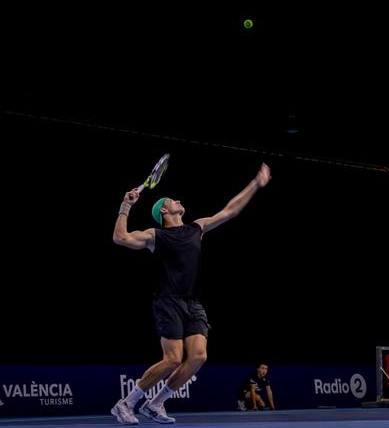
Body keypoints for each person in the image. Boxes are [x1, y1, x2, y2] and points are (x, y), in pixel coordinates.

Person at [109, 163, 272, 425]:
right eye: (173, 200)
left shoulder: (197, 228)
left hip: (193, 302)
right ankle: (126, 404)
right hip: (168, 301)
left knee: (198, 356)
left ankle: (156, 403)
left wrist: (255, 184)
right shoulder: (155, 235)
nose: (179, 200)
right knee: (172, 359)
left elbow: (230, 211)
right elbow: (120, 238)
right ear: (164, 210)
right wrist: (125, 205)